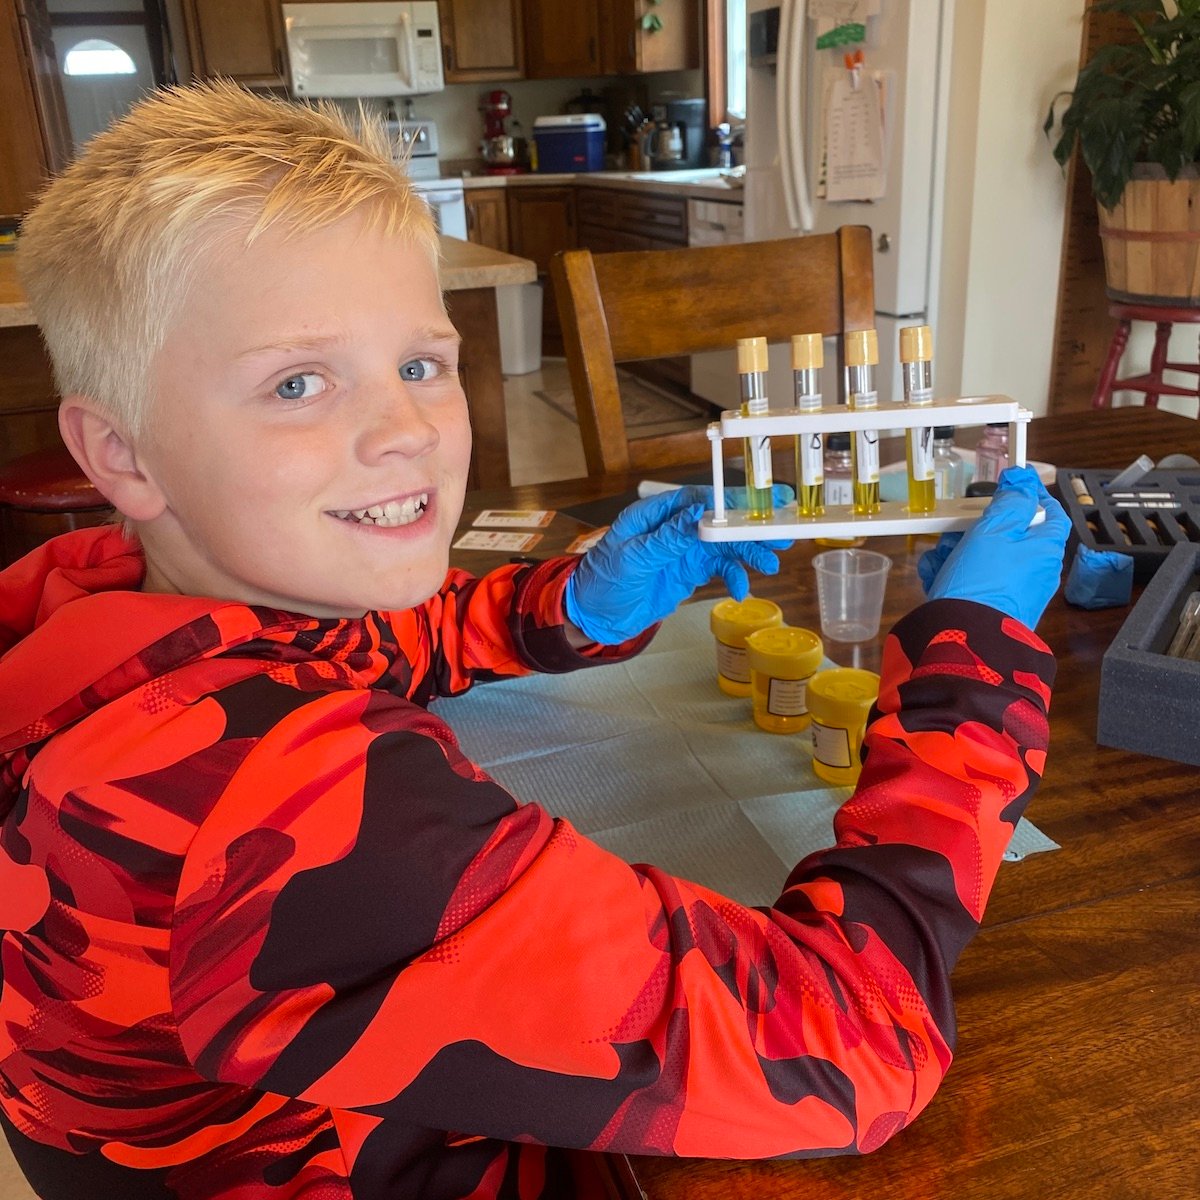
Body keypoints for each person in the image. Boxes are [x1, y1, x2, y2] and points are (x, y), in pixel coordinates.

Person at [0, 81, 1070, 1200]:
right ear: (116, 453)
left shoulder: (96, 608)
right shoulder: (272, 801)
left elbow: (357, 650)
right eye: (298, 383)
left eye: (420, 364)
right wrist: (972, 666)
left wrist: (569, 607)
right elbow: (848, 1044)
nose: (407, 430)